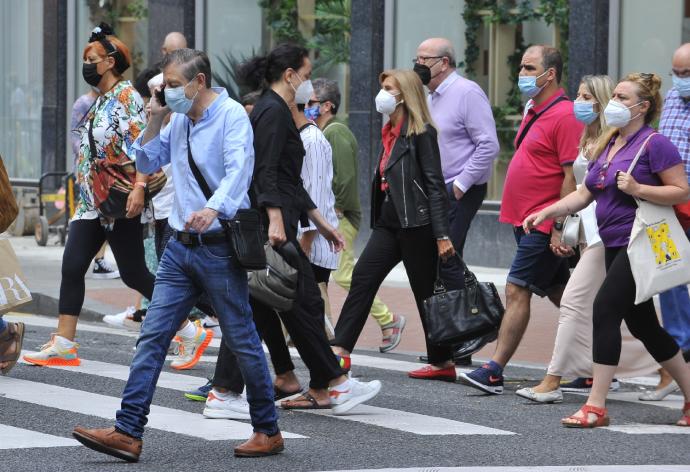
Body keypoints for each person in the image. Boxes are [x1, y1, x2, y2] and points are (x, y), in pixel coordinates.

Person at [71, 48, 284, 460]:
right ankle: (128, 431)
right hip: (179, 251)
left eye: (172, 85)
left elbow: (241, 169)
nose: (166, 91)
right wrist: (154, 116)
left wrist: (214, 208)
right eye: (163, 86)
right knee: (152, 337)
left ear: (198, 82)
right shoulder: (179, 121)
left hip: (219, 248)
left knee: (241, 339)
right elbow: (146, 159)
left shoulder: (231, 116)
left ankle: (267, 429)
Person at [523, 72, 690, 428]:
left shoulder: (655, 144)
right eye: (614, 95)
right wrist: (548, 211)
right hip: (612, 242)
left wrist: (638, 188)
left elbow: (681, 190)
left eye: (623, 98)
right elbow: (585, 193)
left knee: (604, 308)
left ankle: (596, 405)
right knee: (643, 323)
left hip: (638, 242)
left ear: (643, 107)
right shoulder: (610, 140)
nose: (613, 102)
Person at [227, 43, 381, 413]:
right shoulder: (272, 112)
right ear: (289, 75)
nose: (310, 85)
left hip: (276, 218)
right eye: (307, 75)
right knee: (301, 300)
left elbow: (290, 178)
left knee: (269, 303)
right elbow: (264, 170)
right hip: (270, 222)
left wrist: (322, 222)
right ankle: (332, 383)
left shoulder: (278, 109)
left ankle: (285, 378)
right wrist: (277, 217)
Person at [23, 24, 155, 367]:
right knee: (73, 265)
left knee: (134, 273)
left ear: (110, 62)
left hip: (120, 198)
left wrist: (140, 187)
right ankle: (64, 343)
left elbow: (143, 148)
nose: (87, 64)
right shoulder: (101, 101)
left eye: (91, 58)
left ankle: (188, 328)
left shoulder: (126, 97)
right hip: (91, 201)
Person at [459, 45, 582, 394]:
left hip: (544, 222)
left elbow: (570, 177)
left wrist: (558, 226)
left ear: (550, 74)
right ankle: (592, 364)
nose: (522, 75)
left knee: (516, 289)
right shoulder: (533, 109)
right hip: (526, 220)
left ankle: (494, 370)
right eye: (523, 68)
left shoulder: (566, 114)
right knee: (565, 295)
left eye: (529, 68)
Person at [330, 69, 456, 380]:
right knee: (363, 277)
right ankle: (341, 350)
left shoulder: (423, 133)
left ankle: (443, 362)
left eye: (388, 87)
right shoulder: (390, 131)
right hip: (390, 222)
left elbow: (435, 185)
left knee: (425, 291)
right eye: (382, 86)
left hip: (418, 225)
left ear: (405, 94)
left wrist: (441, 234)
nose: (382, 93)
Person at [103, 71, 216, 370]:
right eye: (157, 94)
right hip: (167, 215)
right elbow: (144, 159)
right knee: (173, 284)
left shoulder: (191, 123)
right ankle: (174, 336)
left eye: (165, 92)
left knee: (189, 287)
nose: (157, 101)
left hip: (185, 218)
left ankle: (182, 334)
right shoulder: (168, 125)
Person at [414, 37, 500, 367]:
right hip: (437, 190)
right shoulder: (430, 95)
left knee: (447, 258)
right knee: (446, 261)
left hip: (458, 189)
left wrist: (460, 187)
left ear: (445, 62)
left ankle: (467, 337)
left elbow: (488, 145)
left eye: (425, 58)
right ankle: (455, 339)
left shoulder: (467, 93)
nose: (419, 64)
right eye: (417, 57)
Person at [310, 78, 405, 354]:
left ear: (327, 106)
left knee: (345, 274)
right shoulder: (323, 131)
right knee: (324, 277)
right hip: (330, 216)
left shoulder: (335, 132)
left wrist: (335, 209)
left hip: (338, 217)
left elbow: (344, 177)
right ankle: (323, 331)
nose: (308, 107)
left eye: (313, 102)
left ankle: (390, 320)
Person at [649, 43, 690, 400]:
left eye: (686, 74)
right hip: (666, 203)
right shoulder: (673, 101)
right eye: (675, 73)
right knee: (667, 275)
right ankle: (680, 347)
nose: (679, 81)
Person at [294, 100, 339, 329]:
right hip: (305, 237)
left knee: (314, 311)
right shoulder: (300, 137)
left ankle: (330, 355)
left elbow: (317, 192)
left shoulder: (313, 140)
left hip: (313, 242)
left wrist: (308, 236)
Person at [70, 87, 121, 280]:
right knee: (94, 215)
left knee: (104, 216)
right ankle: (98, 260)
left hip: (107, 172)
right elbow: (74, 136)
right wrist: (89, 159)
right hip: (90, 173)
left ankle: (100, 259)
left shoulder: (111, 101)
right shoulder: (83, 103)